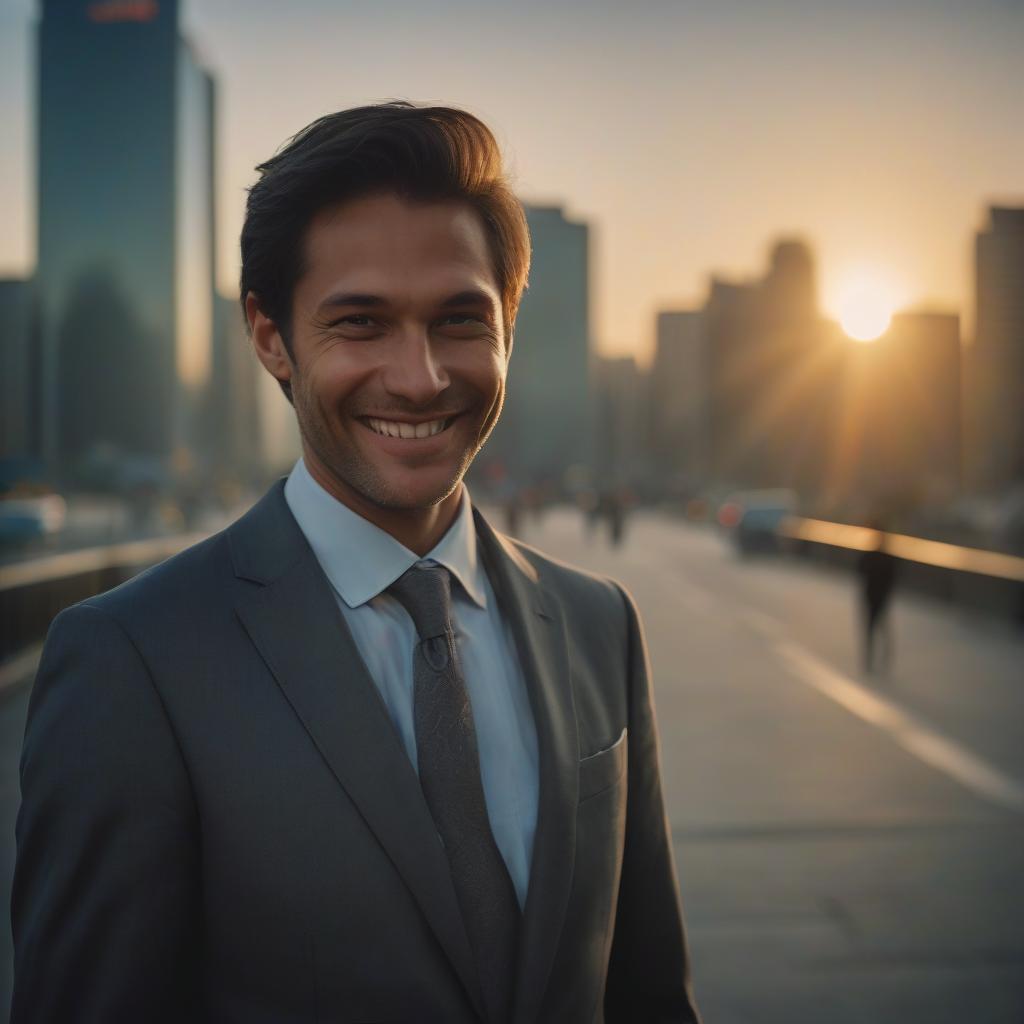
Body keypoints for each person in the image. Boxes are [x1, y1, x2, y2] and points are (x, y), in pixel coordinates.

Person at [12, 103, 701, 1023]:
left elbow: (648, 997)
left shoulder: (598, 624)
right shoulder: (131, 662)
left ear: (509, 327)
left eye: (461, 319)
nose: (419, 378)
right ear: (270, 337)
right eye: (362, 324)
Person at [856, 519, 898, 674]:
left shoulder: (870, 556)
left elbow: (860, 571)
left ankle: (871, 657)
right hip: (878, 596)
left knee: (873, 627)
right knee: (879, 626)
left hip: (872, 595)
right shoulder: (887, 557)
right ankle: (877, 655)